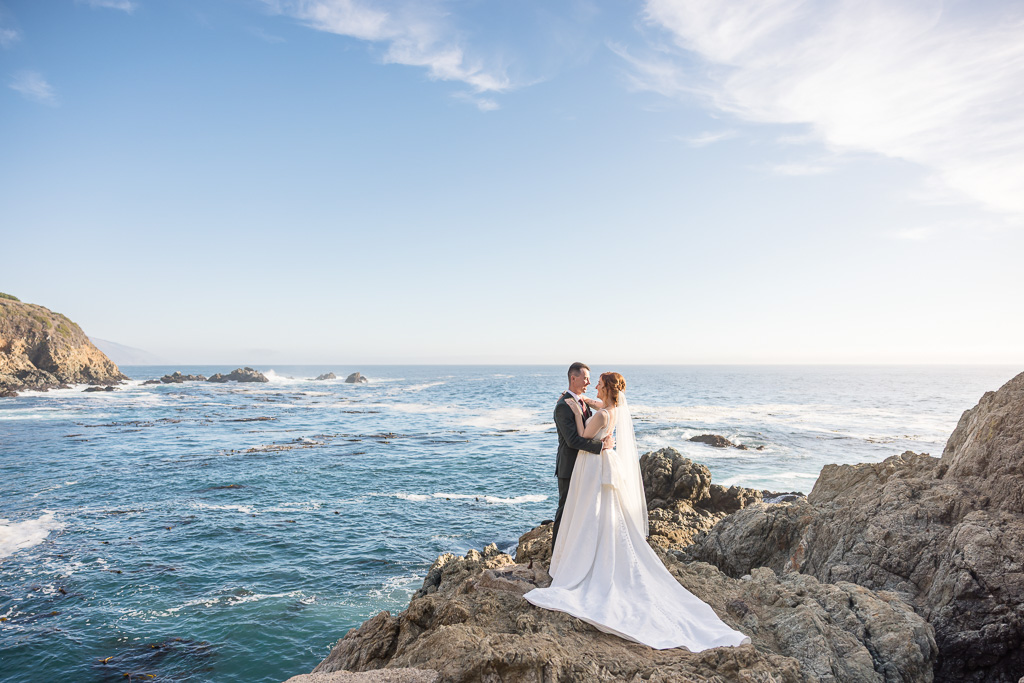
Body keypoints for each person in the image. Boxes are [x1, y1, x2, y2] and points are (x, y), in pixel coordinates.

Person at [525, 371, 750, 651]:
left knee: (589, 512)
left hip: (593, 464)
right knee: (601, 512)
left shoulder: (601, 414)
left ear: (606, 388)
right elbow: (600, 411)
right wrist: (589, 406)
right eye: (589, 379)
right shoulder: (612, 410)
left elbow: (581, 435)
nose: (593, 384)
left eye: (598, 383)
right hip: (602, 462)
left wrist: (578, 408)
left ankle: (579, 559)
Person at [551, 362, 614, 547]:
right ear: (573, 378)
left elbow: (604, 408)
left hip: (584, 466)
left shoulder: (579, 401)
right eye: (585, 378)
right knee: (564, 512)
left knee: (579, 513)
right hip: (569, 467)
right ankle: (556, 556)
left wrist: (584, 399)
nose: (588, 382)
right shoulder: (563, 406)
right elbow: (572, 441)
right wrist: (601, 446)